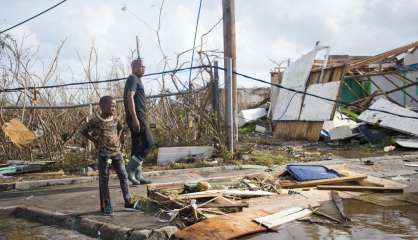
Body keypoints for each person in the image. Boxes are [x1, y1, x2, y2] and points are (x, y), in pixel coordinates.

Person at [80, 96, 139, 215]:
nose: (113, 108)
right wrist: (94, 140)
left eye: (114, 106)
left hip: (117, 153)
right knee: (104, 179)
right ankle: (106, 205)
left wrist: (119, 138)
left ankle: (128, 201)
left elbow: (121, 128)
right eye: (111, 105)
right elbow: (84, 131)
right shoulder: (96, 120)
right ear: (102, 106)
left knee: (123, 176)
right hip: (104, 154)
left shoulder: (116, 118)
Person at [123, 59, 154, 185]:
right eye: (140, 66)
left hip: (139, 116)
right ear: (134, 67)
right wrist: (135, 118)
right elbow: (130, 97)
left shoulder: (136, 80)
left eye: (144, 66)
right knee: (149, 143)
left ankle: (137, 174)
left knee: (137, 145)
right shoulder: (133, 78)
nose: (143, 68)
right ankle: (129, 170)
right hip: (138, 117)